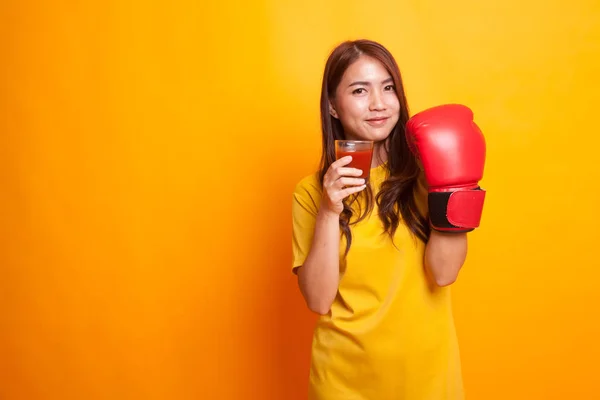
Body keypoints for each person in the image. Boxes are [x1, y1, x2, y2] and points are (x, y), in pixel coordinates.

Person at [291, 39, 486, 399]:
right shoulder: (311, 192)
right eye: (360, 90)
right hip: (344, 381)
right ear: (333, 106)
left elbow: (444, 274)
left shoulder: (428, 175)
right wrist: (329, 210)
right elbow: (319, 300)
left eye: (388, 87)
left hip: (427, 379)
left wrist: (453, 186)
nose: (379, 104)